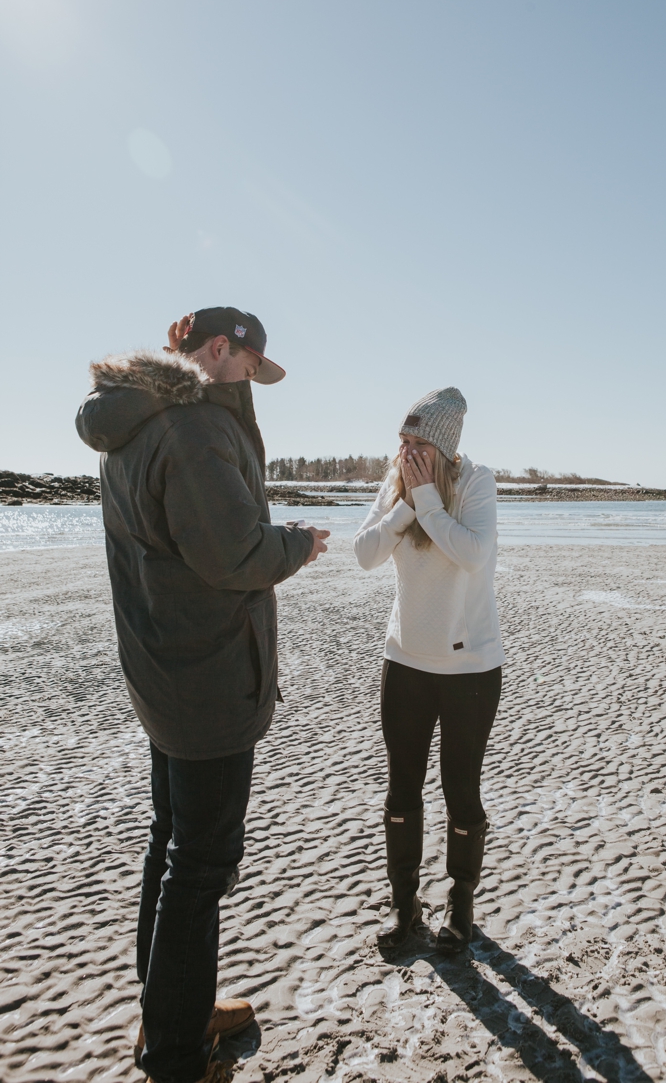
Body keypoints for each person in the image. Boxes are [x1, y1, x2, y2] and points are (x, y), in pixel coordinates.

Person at [76, 308, 329, 1083]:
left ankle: (170, 1011)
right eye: (251, 367)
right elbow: (233, 553)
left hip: (167, 666)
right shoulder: (188, 429)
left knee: (173, 842)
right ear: (219, 350)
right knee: (202, 862)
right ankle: (178, 1054)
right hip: (208, 675)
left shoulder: (139, 420)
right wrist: (299, 543)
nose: (254, 381)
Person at [353, 388, 504, 954]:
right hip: (406, 663)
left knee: (462, 791)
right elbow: (365, 554)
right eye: (402, 441)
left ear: (443, 448)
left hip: (471, 668)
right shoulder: (396, 485)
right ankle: (404, 905)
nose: (406, 452)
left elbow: (472, 553)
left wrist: (428, 501)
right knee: (402, 791)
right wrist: (406, 503)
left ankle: (460, 906)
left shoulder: (476, 482)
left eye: (418, 443)